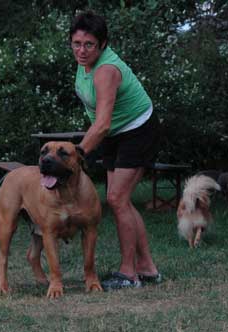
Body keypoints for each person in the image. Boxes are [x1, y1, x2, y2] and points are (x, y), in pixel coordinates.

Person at [70, 11, 163, 290]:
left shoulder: (106, 71)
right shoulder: (83, 63)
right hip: (114, 133)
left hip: (137, 130)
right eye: (76, 43)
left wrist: (76, 155)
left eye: (89, 45)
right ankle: (147, 268)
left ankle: (129, 274)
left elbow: (101, 124)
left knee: (117, 198)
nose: (82, 50)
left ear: (103, 44)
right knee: (119, 200)